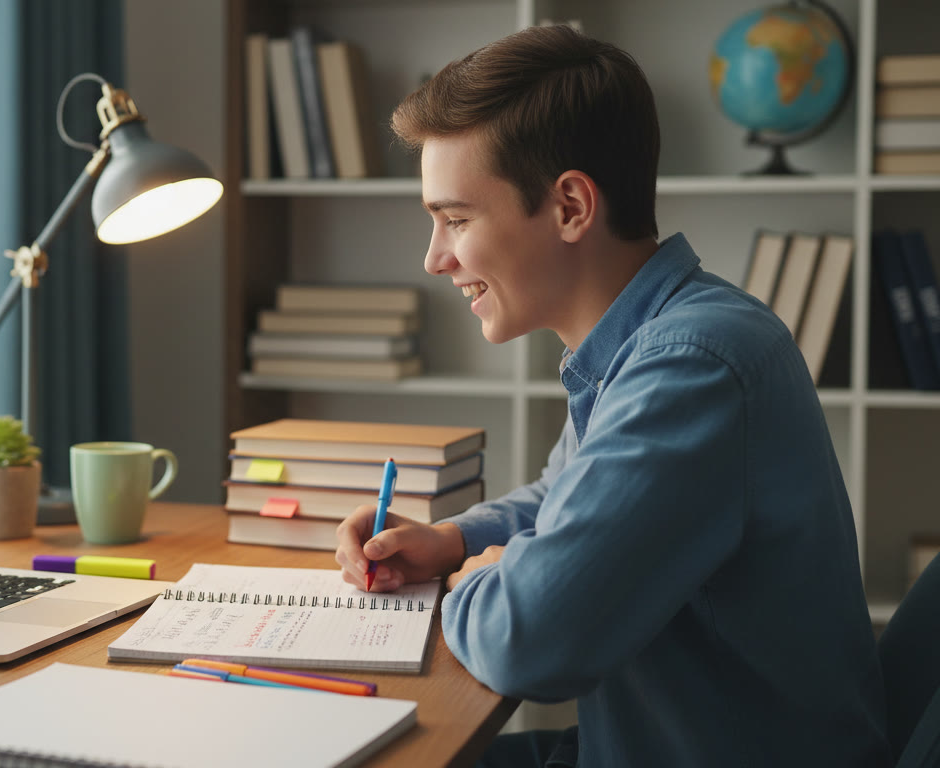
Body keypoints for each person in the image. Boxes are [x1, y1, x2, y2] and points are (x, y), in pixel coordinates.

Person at [333, 25, 889, 768]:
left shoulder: (690, 369)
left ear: (570, 206)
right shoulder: (647, 339)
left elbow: (530, 640)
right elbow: (569, 495)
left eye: (455, 219)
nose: (435, 258)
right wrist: (456, 539)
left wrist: (468, 577)